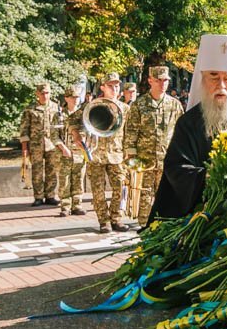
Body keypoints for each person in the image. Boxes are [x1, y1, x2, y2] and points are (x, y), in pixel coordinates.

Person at [150, 35, 227, 220]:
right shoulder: (189, 123)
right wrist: (215, 176)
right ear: (203, 79)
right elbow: (177, 170)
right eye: (213, 76)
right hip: (206, 217)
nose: (221, 85)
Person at [122, 65, 184, 224]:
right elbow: (131, 131)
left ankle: (164, 225)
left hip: (167, 159)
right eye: (158, 80)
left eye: (165, 80)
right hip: (145, 159)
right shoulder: (139, 104)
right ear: (150, 81)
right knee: (145, 195)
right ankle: (145, 226)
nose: (162, 84)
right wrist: (131, 157)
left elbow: (181, 131)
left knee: (167, 194)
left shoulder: (174, 104)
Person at [86, 74, 129, 233]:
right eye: (111, 85)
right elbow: (73, 121)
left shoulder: (125, 108)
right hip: (96, 154)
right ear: (102, 87)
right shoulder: (92, 105)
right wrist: (78, 138)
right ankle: (104, 221)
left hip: (117, 154)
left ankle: (116, 218)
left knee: (120, 187)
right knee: (98, 190)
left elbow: (130, 131)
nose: (115, 88)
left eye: (117, 85)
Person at [18, 82, 62, 207]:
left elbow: (60, 127)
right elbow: (24, 129)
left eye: (47, 93)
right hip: (36, 145)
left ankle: (50, 196)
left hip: (52, 145)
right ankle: (38, 197)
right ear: (37, 94)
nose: (45, 96)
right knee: (37, 171)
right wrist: (24, 147)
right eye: (42, 93)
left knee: (51, 171)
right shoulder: (30, 109)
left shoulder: (56, 108)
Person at [56, 84, 88, 217]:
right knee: (65, 179)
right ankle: (65, 206)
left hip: (79, 152)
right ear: (66, 98)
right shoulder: (59, 115)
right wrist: (63, 148)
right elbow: (54, 135)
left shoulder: (83, 114)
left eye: (77, 97)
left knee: (79, 178)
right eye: (72, 97)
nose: (75, 100)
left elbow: (88, 131)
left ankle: (77, 204)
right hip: (64, 153)